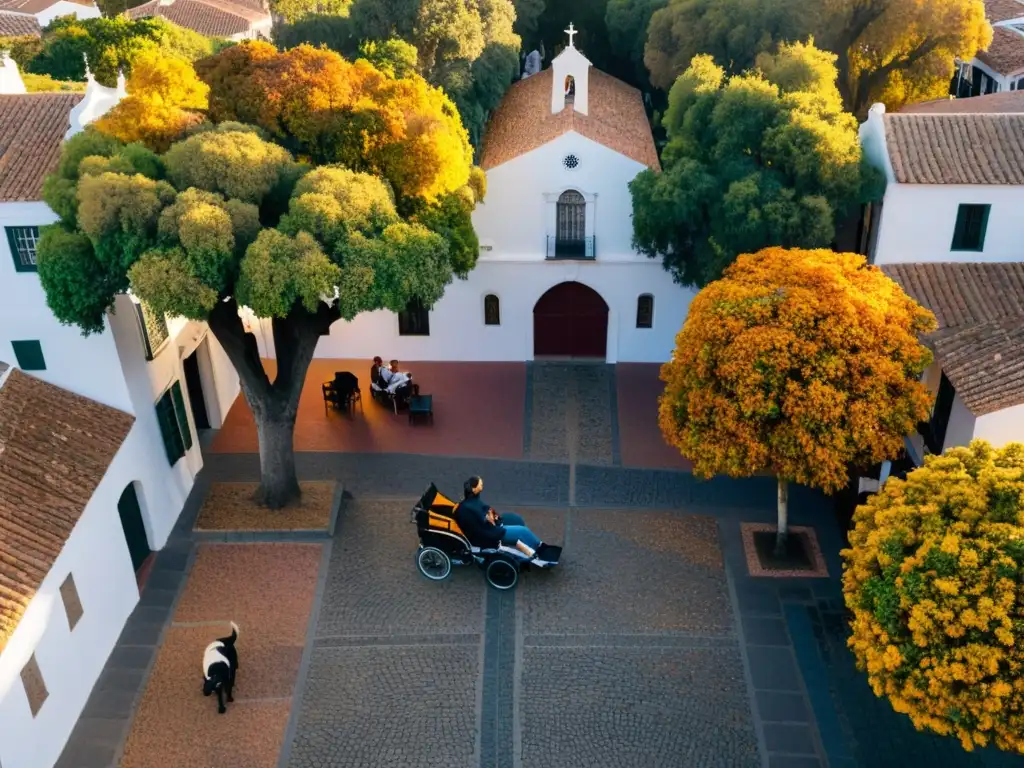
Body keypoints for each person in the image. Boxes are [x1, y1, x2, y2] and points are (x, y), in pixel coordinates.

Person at [456, 476, 543, 557]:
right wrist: (493, 522)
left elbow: (485, 512)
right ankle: (540, 549)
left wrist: (494, 518)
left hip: (492, 526)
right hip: (489, 533)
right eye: (480, 484)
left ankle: (527, 546)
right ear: (474, 489)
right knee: (523, 531)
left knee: (517, 520)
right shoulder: (467, 509)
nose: (482, 485)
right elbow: (479, 527)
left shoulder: (472, 501)